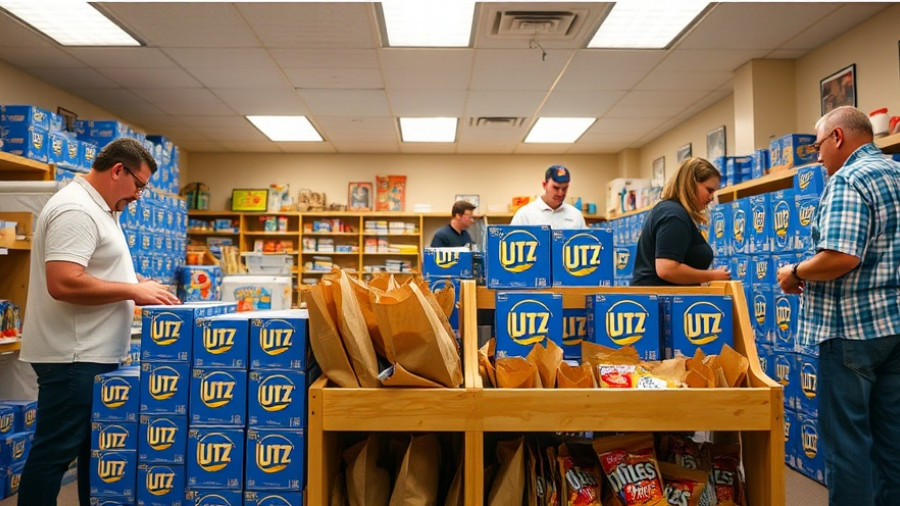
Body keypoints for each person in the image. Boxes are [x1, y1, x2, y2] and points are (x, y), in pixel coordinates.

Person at [18, 138, 180, 506]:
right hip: (73, 357)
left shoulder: (100, 209)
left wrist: (134, 280)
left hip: (89, 354)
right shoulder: (77, 210)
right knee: (54, 455)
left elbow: (90, 266)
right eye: (138, 185)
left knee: (95, 453)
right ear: (117, 170)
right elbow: (63, 282)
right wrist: (131, 291)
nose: (139, 195)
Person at [776, 106, 900, 505]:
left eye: (817, 145)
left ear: (838, 138)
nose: (817, 156)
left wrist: (795, 272)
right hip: (894, 327)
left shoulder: (849, 179)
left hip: (851, 332)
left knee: (847, 445)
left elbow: (840, 257)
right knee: (892, 440)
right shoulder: (896, 173)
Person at [631, 157, 730, 286]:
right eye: (709, 190)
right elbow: (667, 269)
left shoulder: (670, 211)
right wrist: (712, 276)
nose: (712, 197)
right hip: (661, 302)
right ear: (691, 183)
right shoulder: (674, 216)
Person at [510, 164, 586, 229]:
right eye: (555, 188)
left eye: (564, 188)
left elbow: (586, 242)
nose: (560, 193)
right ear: (544, 185)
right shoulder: (524, 215)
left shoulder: (576, 215)